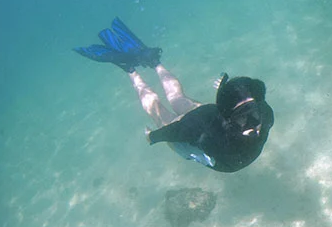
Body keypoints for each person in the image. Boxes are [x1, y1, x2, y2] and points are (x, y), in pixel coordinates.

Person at [74, 18, 274, 173]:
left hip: (209, 118)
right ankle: (130, 69)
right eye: (241, 119)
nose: (253, 126)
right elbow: (175, 132)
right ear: (227, 115)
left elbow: (242, 101)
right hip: (205, 136)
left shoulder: (264, 112)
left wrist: (224, 90)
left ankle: (153, 62)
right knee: (161, 115)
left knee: (179, 100)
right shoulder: (208, 137)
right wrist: (153, 136)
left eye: (254, 114)